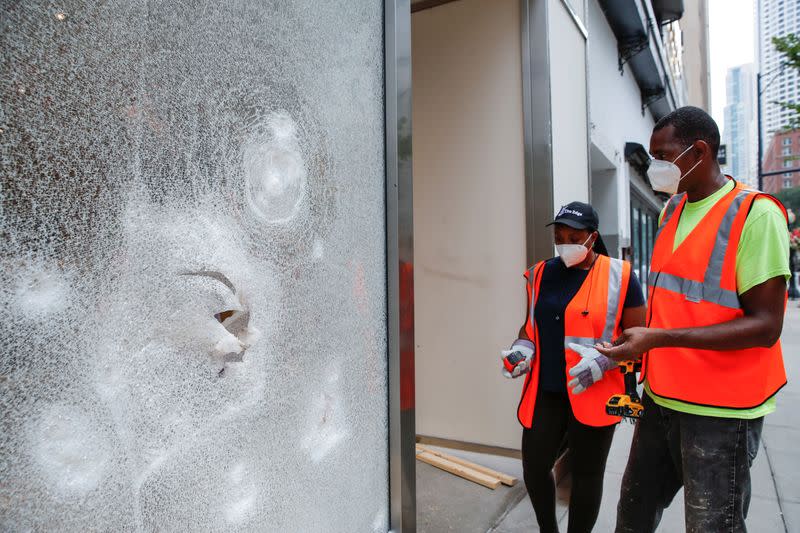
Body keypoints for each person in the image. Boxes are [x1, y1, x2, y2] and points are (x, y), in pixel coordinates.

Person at [596, 106, 790, 533]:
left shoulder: (756, 215)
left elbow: (766, 325)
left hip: (722, 412)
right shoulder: (671, 211)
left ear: (700, 152)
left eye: (663, 156)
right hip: (662, 399)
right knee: (631, 517)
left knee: (711, 527)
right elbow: (674, 301)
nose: (654, 167)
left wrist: (658, 339)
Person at [502, 202, 646, 533]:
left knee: (587, 474)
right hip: (546, 390)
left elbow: (637, 338)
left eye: (574, 236)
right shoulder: (539, 274)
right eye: (559, 235)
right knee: (535, 467)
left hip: (594, 390)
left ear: (592, 238)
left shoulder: (620, 275)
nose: (565, 241)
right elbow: (530, 327)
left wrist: (607, 358)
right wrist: (522, 349)